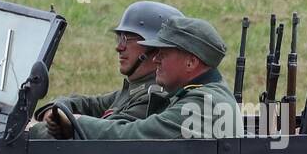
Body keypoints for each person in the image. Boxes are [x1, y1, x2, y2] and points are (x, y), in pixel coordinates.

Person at [44, 17, 239, 140]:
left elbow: (138, 135)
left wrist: (76, 123)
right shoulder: (191, 93)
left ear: (191, 62)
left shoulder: (205, 103)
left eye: (164, 53)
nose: (156, 58)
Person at [30, 1, 181, 137]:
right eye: (119, 38)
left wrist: (34, 129)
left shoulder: (153, 96)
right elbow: (90, 104)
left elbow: (102, 138)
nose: (119, 47)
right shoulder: (135, 89)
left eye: (127, 39)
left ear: (155, 47)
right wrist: (56, 109)